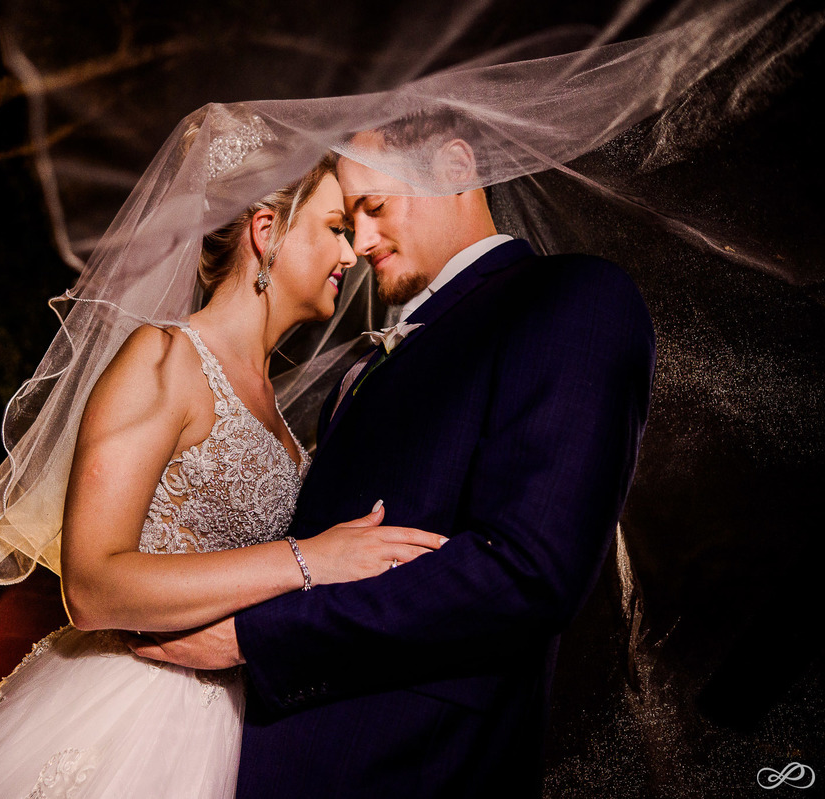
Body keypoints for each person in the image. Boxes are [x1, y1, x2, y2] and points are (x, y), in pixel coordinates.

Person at [132, 113, 658, 797]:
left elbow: (527, 571)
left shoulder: (572, 298)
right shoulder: (364, 364)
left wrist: (256, 637)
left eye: (375, 208)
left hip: (413, 768)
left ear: (457, 169)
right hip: (261, 756)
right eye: (350, 222)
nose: (362, 244)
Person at [0, 146, 445, 798]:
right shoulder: (162, 358)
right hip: (120, 714)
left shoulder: (286, 414)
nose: (353, 251)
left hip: (229, 729)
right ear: (265, 231)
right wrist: (308, 559)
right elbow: (92, 585)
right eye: (335, 226)